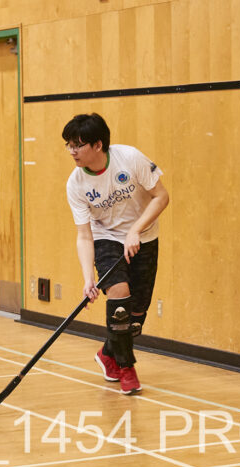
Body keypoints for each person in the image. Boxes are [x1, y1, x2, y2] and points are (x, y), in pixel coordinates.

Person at [63, 113, 169, 395]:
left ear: (98, 145)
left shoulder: (130, 159)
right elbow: (84, 235)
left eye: (78, 145)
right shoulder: (76, 184)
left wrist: (136, 230)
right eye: (69, 145)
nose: (72, 151)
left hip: (144, 236)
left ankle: (108, 353)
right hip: (106, 238)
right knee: (120, 294)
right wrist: (88, 278)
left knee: (135, 317)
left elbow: (161, 196)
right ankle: (126, 368)